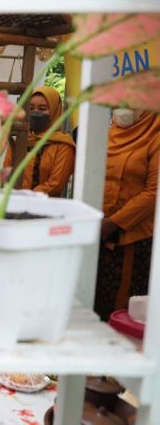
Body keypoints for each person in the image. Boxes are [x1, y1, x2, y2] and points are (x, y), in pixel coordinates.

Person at [94, 108, 159, 321]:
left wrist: (113, 223)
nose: (124, 108)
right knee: (95, 301)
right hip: (98, 233)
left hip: (132, 237)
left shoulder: (156, 138)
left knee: (122, 310)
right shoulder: (106, 135)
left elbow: (153, 192)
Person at [6, 86, 76, 197]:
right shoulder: (19, 139)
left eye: (42, 109)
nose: (35, 112)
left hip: (47, 207)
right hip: (14, 203)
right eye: (31, 108)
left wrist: (27, 196)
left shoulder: (63, 144)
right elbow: (6, 174)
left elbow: (56, 183)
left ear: (54, 110)